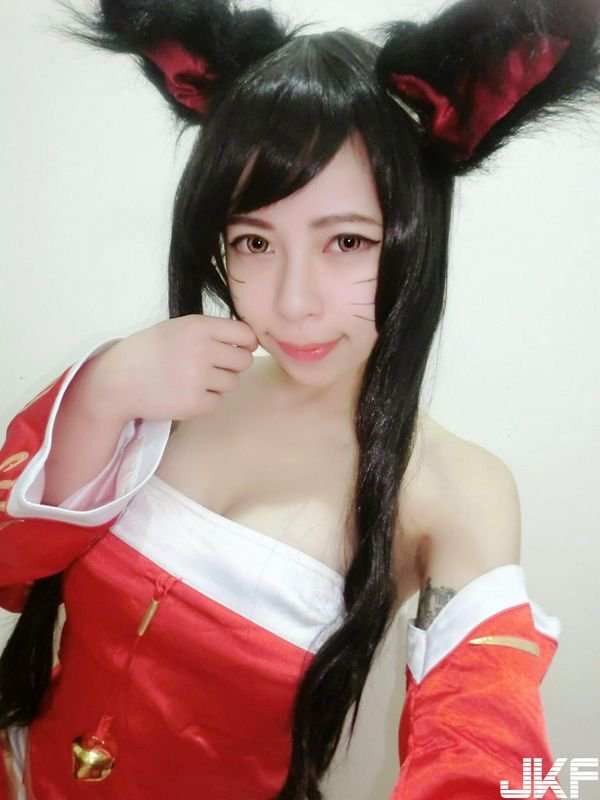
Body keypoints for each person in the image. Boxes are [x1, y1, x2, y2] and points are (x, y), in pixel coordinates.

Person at [0, 0, 598, 797]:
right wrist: (100, 395)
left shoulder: (458, 491)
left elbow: (483, 746)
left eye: (346, 241)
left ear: (415, 232)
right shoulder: (160, 380)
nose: (292, 302)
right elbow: (11, 567)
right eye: (254, 241)